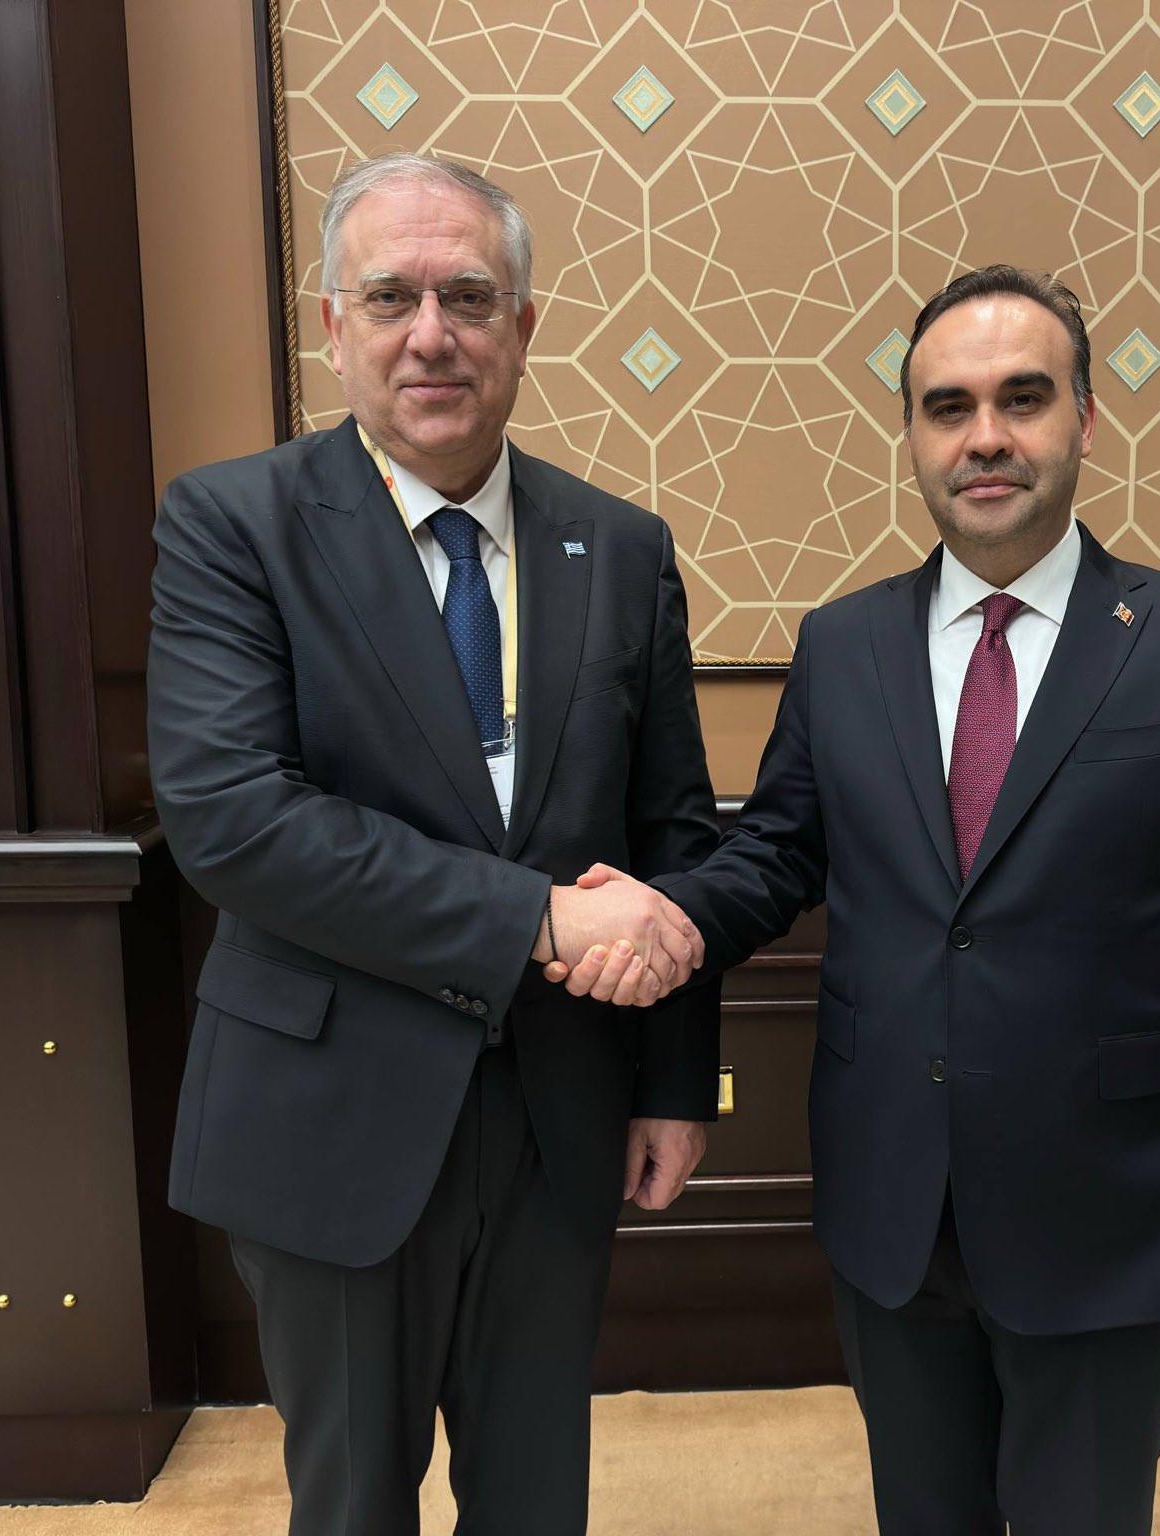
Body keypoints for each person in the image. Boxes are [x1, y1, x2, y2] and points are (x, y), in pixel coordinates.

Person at [556, 265, 1160, 1534]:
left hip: (1108, 1220)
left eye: (1022, 399)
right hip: (891, 1210)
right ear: (911, 435)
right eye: (947, 406)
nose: (983, 437)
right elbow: (779, 853)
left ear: (1085, 420)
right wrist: (671, 916)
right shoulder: (842, 643)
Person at [147, 152, 718, 1535]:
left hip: (559, 1117)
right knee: (354, 1506)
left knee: (536, 1499)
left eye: (467, 297)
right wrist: (537, 917)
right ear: (331, 325)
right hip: (331, 1113)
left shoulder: (619, 547)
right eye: (388, 297)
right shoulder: (233, 526)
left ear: (523, 325)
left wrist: (676, 1082)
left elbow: (673, 830)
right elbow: (236, 821)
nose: (430, 335)